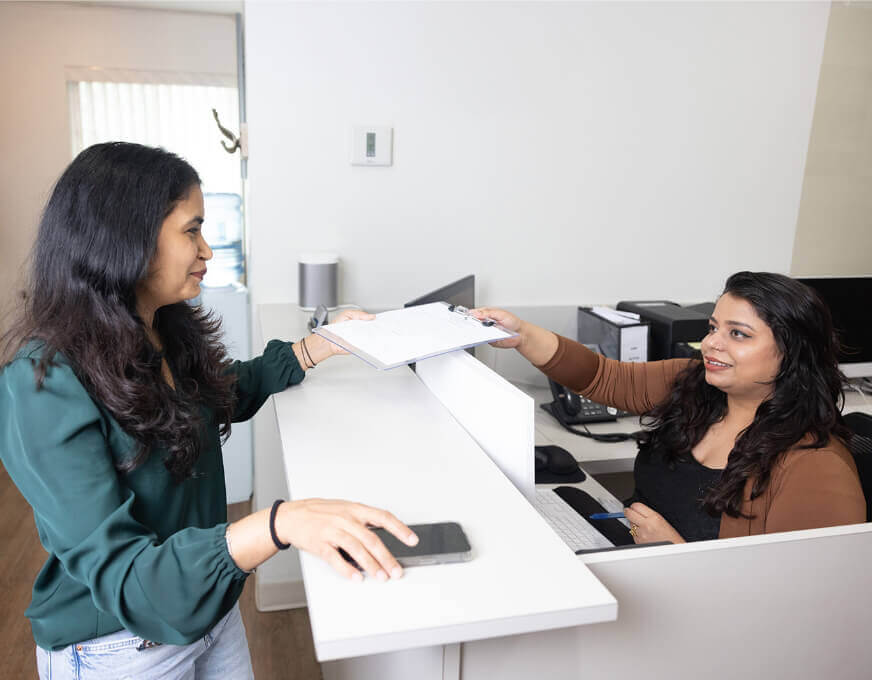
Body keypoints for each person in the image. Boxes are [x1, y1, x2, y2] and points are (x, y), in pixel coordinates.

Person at [0, 142, 418, 680]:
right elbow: (129, 578)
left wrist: (319, 346)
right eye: (191, 231)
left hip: (208, 605)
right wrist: (279, 522)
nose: (207, 252)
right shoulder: (45, 382)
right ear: (125, 237)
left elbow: (216, 394)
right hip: (117, 646)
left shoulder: (158, 325)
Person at [472, 272, 866, 544]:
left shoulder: (815, 466)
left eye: (738, 335)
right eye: (714, 328)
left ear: (793, 354)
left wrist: (673, 550)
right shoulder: (694, 383)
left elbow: (796, 603)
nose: (711, 344)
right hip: (637, 566)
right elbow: (603, 377)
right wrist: (521, 334)